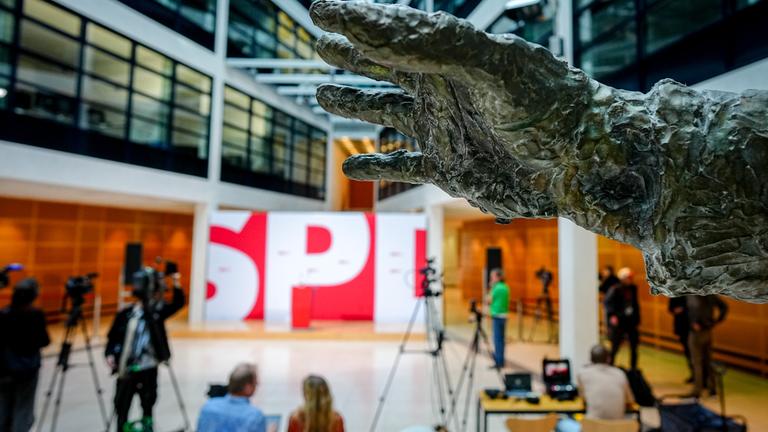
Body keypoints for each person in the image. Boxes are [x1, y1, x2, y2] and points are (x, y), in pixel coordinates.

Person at [105, 268, 185, 431]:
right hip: (126, 369)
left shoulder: (156, 312)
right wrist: (110, 354)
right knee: (122, 405)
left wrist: (175, 281)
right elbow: (112, 338)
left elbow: (178, 303)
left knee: (148, 403)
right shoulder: (126, 314)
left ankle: (147, 426)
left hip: (148, 367)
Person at [0, 278, 50, 432]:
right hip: (27, 371)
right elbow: (44, 341)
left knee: (3, 408)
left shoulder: (3, 314)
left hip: (4, 370)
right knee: (23, 409)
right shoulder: (35, 315)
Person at [556, 344, 635, 432]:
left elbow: (583, 398)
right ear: (608, 359)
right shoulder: (620, 374)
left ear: (591, 359)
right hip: (617, 428)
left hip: (592, 428)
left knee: (560, 422)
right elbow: (630, 401)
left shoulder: (583, 373)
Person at [198, 363, 267, 432]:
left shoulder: (208, 407)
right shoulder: (254, 416)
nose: (256, 387)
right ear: (248, 387)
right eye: (255, 384)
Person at [686, 295, 728, 397]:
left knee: (697, 362)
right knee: (708, 361)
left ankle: (697, 391)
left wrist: (698, 323)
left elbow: (697, 310)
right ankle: (712, 389)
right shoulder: (709, 294)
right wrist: (713, 322)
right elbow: (723, 307)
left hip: (698, 332)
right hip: (706, 331)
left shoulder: (694, 294)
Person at [604, 267, 640, 370]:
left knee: (634, 346)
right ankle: (610, 366)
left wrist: (637, 319)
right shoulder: (615, 289)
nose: (630, 280)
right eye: (628, 278)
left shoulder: (633, 288)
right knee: (615, 345)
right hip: (619, 321)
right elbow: (608, 304)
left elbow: (636, 305)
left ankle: (633, 369)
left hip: (631, 321)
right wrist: (612, 316)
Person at [487, 268, 509, 369]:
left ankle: (498, 361)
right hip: (504, 316)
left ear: (498, 277)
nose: (492, 278)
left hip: (497, 316)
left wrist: (491, 288)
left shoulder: (496, 288)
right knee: (502, 339)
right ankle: (501, 359)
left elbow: (488, 300)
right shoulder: (505, 287)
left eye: (493, 276)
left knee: (497, 339)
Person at [668, 296, 693, 382]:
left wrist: (683, 309)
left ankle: (701, 377)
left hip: (691, 327)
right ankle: (694, 374)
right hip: (681, 328)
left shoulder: (689, 294)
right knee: (688, 352)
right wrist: (676, 310)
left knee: (694, 353)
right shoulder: (674, 294)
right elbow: (670, 308)